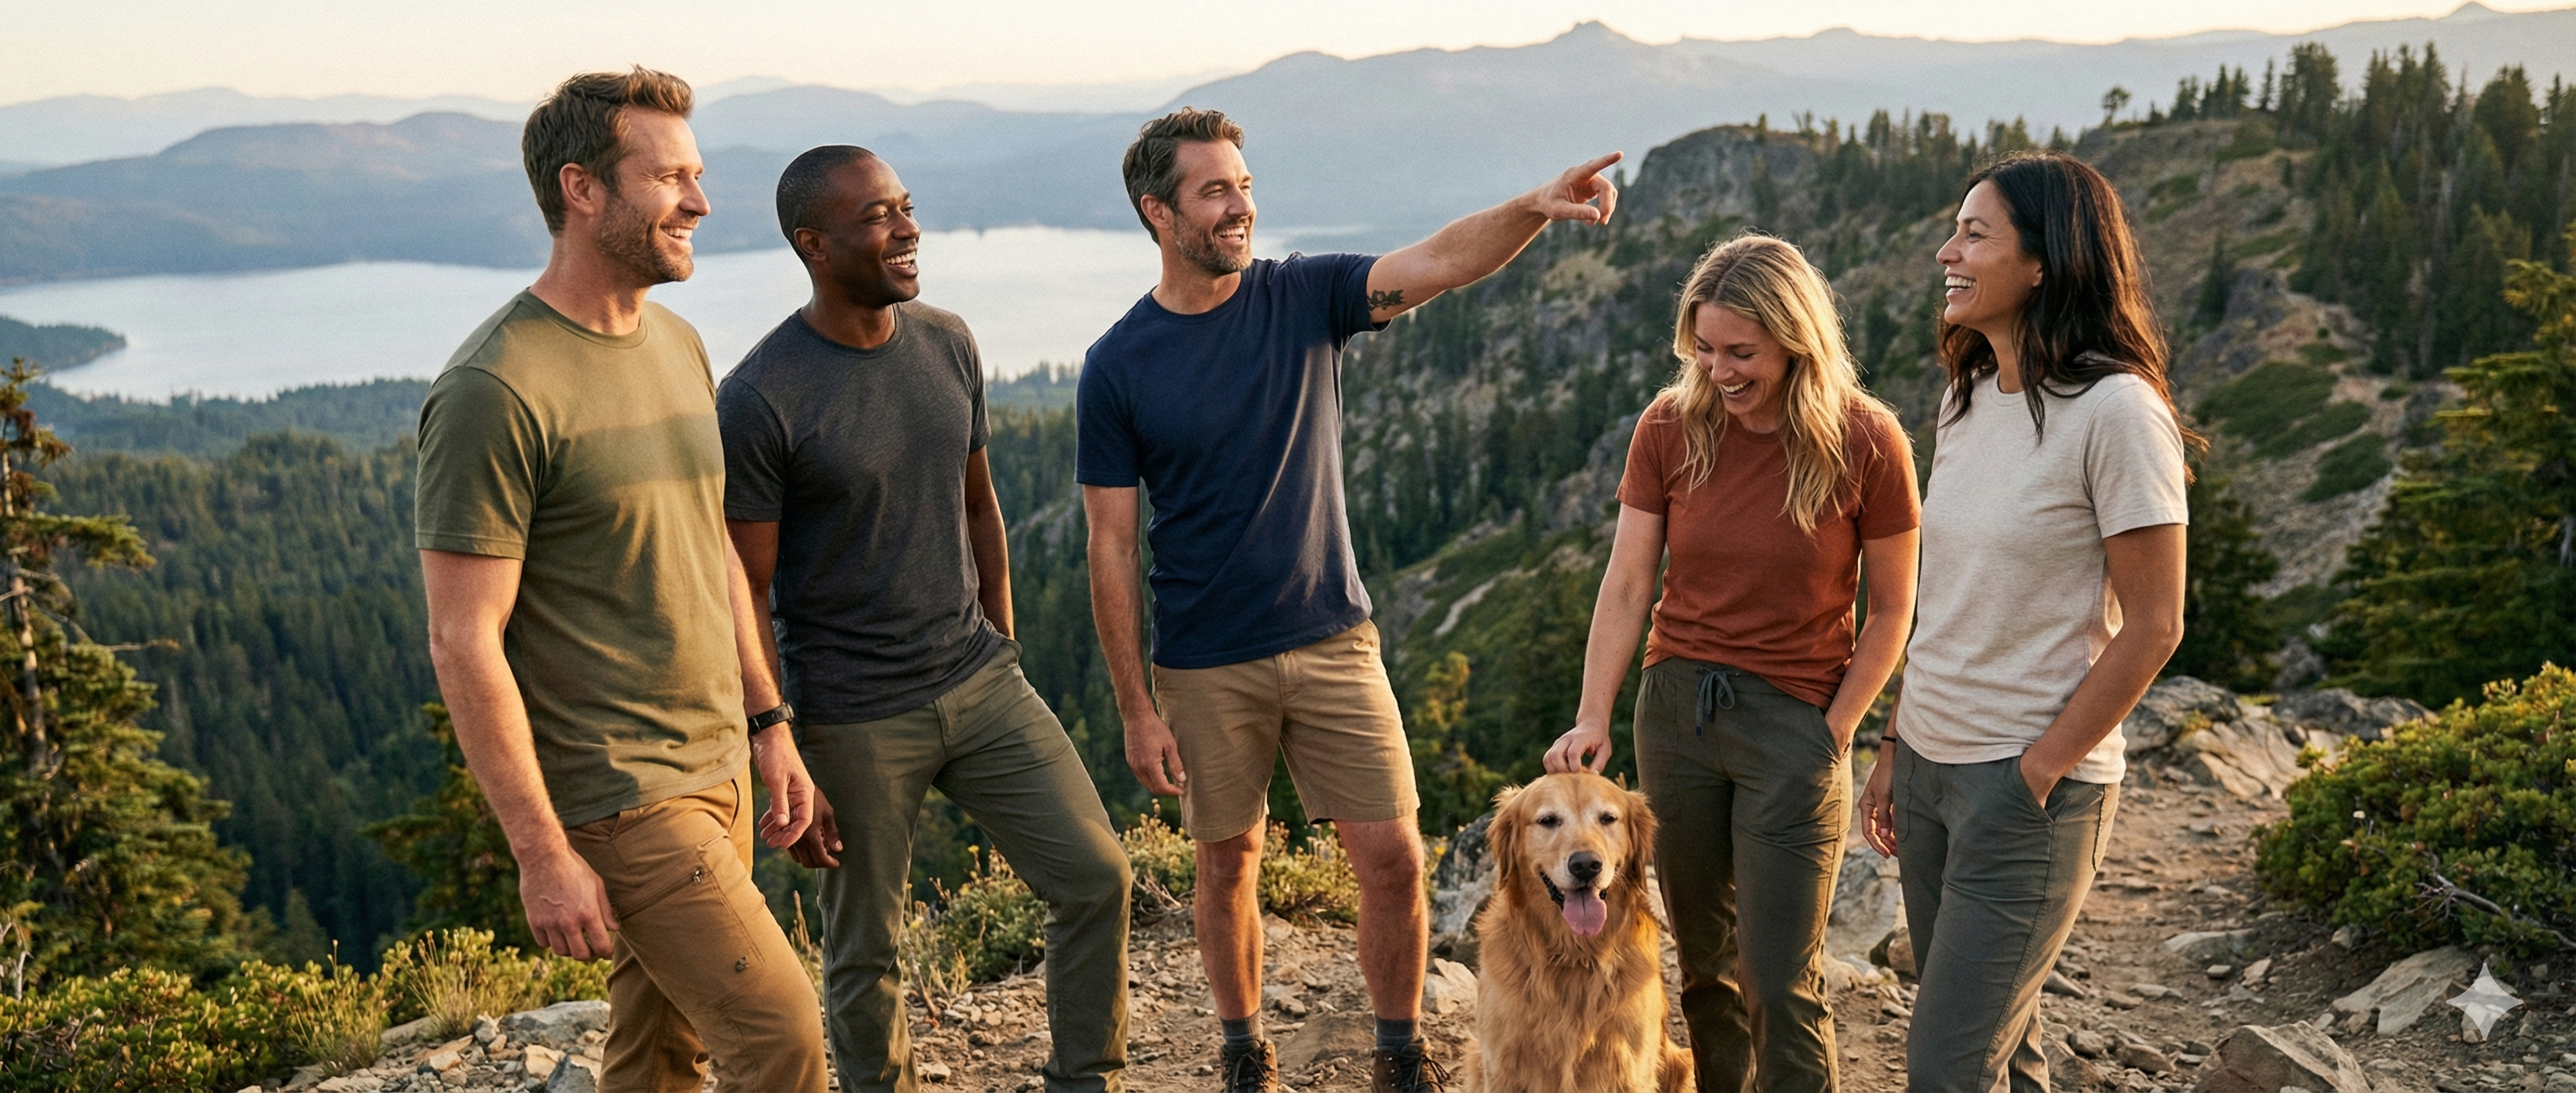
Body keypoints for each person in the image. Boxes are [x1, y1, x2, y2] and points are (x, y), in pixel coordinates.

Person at [1077, 106, 1620, 1093]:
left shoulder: (1304, 296)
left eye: (1243, 184)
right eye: (1214, 190)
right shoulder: (1119, 364)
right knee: (1227, 862)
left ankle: (1398, 1050)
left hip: (1334, 637)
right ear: (1159, 213)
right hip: (1203, 659)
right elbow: (1109, 547)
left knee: (1395, 859)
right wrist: (1132, 706)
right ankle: (1244, 1050)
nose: (1239, 205)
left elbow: (1441, 261)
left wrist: (1533, 210)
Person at [414, 67, 827, 1091]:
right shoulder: (494, 388)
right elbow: (464, 638)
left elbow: (711, 548)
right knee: (782, 1037)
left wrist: (768, 723)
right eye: (670, 178)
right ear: (582, 190)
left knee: (657, 1056)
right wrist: (541, 853)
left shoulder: (676, 344)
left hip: (720, 768)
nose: (700, 202)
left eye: (697, 175)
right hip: (623, 797)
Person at [719, 146, 1132, 1093]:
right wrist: (775, 732)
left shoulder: (947, 340)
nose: (906, 229)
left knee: (1094, 876)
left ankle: (1086, 1081)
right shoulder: (759, 398)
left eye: (905, 207)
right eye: (877, 216)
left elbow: (979, 504)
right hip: (853, 714)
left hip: (980, 682)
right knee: (867, 947)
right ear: (812, 245)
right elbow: (740, 587)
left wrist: (1005, 644)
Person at [1545, 233, 1921, 1091]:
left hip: (1795, 723)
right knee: (1704, 969)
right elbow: (1631, 578)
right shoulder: (1670, 428)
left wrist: (1835, 728)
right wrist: (1595, 712)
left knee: (1781, 977)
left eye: (1741, 353)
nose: (1719, 369)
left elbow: (1893, 608)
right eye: (1704, 349)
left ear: (1797, 341)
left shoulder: (1868, 441)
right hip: (1677, 714)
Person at [1856, 150, 2192, 1092]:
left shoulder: (2120, 413)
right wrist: (1894, 747)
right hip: (1927, 769)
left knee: (1945, 1065)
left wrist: (2036, 775)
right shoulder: (1967, 396)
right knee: (2004, 1051)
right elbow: (1943, 597)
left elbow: (2156, 624)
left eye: (1974, 233)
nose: (1945, 252)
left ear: (2045, 262)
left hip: (2025, 787)